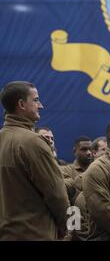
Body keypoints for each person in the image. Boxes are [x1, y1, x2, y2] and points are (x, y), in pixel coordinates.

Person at [0, 81, 69, 240]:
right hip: (35, 233)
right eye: (36, 100)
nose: (41, 105)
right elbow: (57, 195)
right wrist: (69, 227)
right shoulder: (33, 142)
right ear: (21, 104)